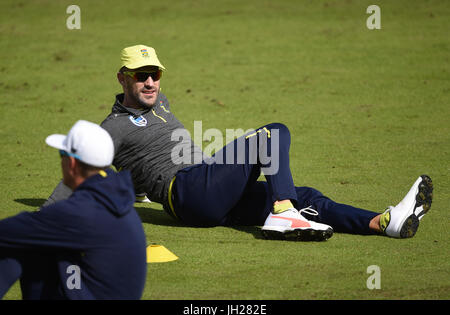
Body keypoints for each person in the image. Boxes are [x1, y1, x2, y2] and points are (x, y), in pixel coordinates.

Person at [44, 45, 433, 241]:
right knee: (272, 134)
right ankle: (282, 212)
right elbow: (78, 173)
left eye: (155, 73)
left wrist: (138, 185)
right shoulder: (111, 127)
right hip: (189, 193)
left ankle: (384, 223)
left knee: (305, 195)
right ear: (122, 78)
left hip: (209, 191)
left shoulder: (158, 101)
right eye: (140, 75)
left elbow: (141, 162)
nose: (150, 82)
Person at [0, 120, 147, 299]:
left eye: (61, 154)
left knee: (20, 245)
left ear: (71, 163)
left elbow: (8, 231)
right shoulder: (118, 200)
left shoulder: (79, 212)